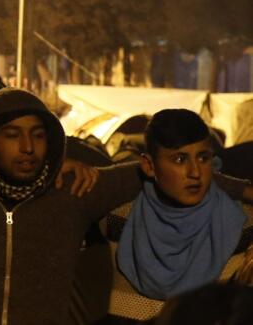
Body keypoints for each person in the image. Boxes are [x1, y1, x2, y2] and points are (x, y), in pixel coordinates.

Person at [0, 88, 253, 325]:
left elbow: (171, 170)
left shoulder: (72, 192)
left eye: (37, 134)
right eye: (12, 134)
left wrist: (245, 189)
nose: (28, 147)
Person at [103, 109, 253, 323]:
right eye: (180, 159)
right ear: (148, 165)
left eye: (203, 158)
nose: (194, 172)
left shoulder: (242, 221)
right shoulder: (119, 215)